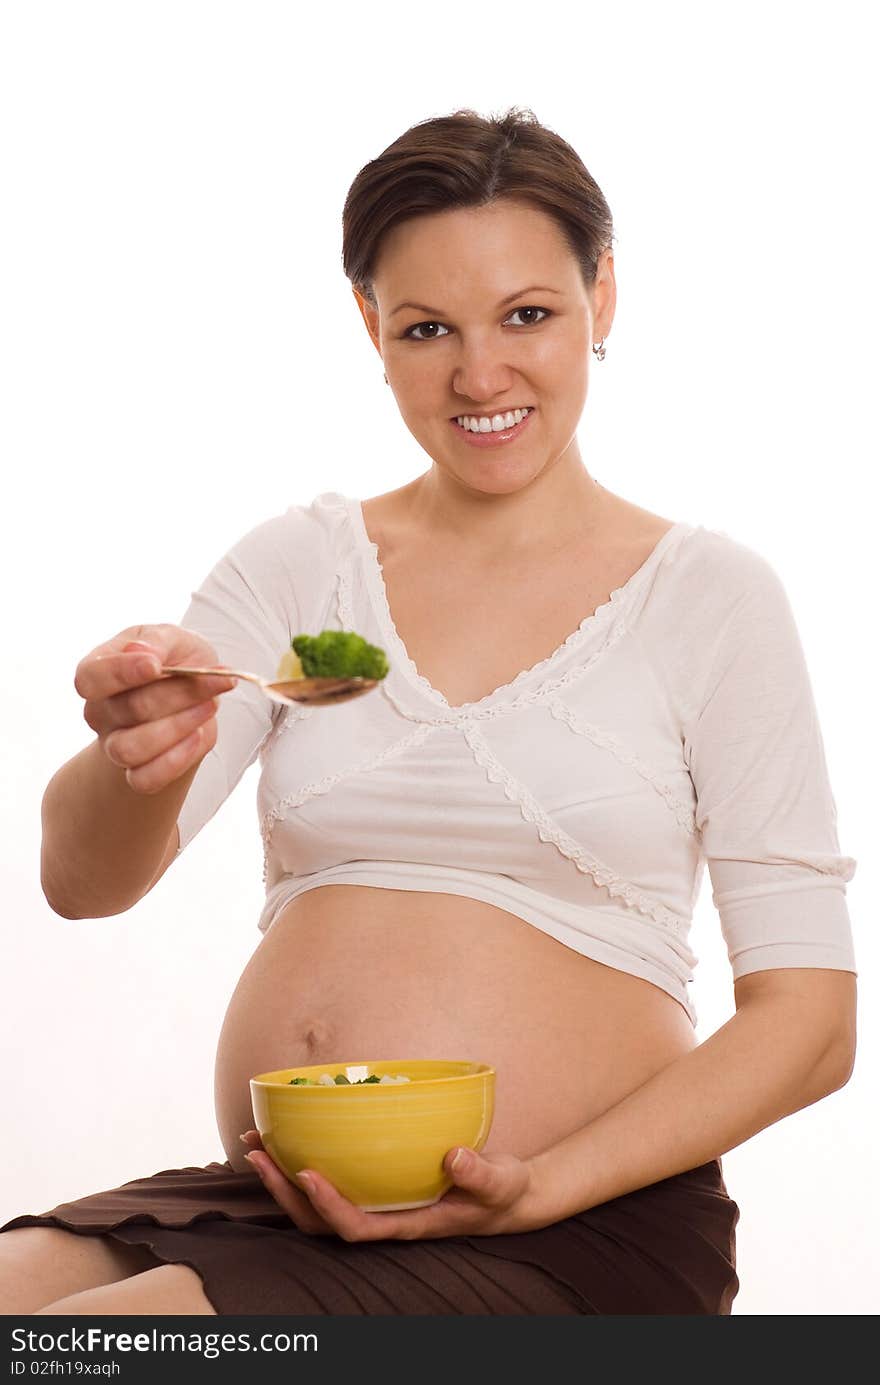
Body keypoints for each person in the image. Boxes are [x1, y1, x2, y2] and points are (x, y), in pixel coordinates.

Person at [0, 106, 858, 1317]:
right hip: (290, 1200)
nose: (479, 374)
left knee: (94, 1349)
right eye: (426, 329)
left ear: (601, 296)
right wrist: (135, 753)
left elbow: (812, 1022)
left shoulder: (712, 599)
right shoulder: (299, 565)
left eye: (527, 315)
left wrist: (543, 1181)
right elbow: (85, 884)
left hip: (572, 1222)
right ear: (372, 328)